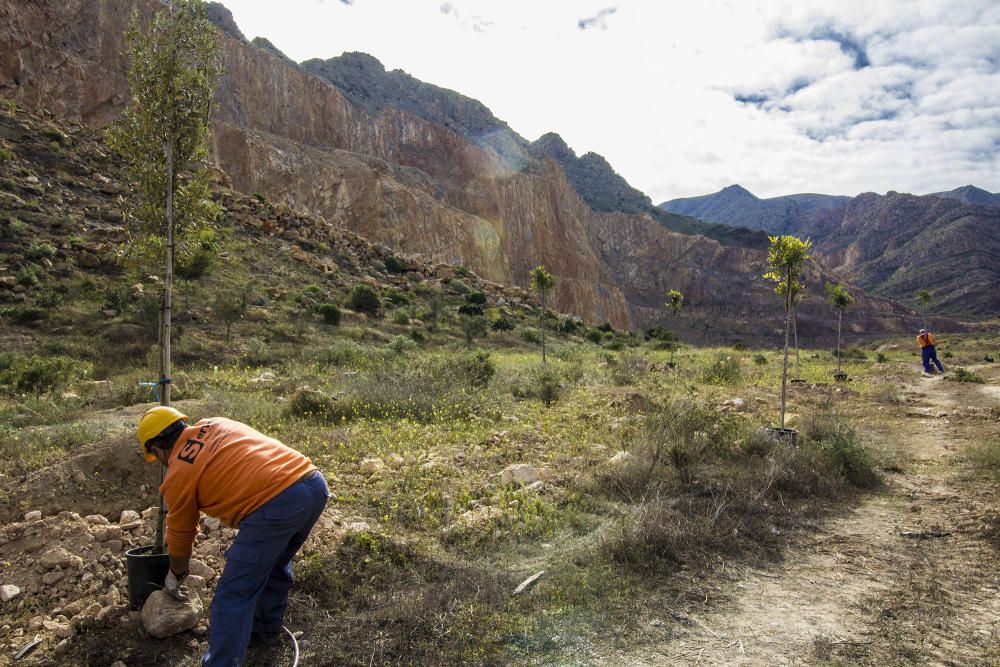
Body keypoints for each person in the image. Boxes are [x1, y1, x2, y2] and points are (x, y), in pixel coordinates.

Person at [138, 406, 329, 667]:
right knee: (272, 565)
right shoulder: (214, 423)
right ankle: (264, 632)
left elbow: (181, 534)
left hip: (277, 504)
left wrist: (177, 572)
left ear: (157, 449)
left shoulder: (178, 475)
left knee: (233, 595)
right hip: (312, 484)